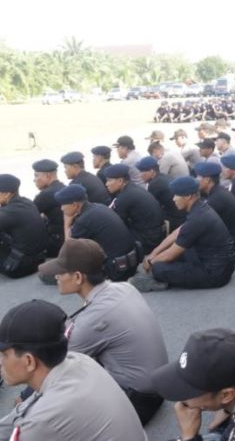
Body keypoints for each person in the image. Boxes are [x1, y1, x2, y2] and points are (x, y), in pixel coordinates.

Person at [37, 239, 167, 425]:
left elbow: (56, 368)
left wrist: (28, 396)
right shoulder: (123, 287)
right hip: (158, 385)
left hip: (137, 402)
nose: (56, 276)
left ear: (78, 277)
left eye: (60, 272)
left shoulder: (92, 320)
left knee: (53, 410)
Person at [0, 300, 147, 441]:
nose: (0, 362)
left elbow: (31, 420)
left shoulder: (42, 420)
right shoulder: (77, 360)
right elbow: (23, 410)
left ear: (29, 361)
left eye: (4, 355)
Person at [135, 176, 235, 291]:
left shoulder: (197, 218)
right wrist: (154, 253)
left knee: (158, 268)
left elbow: (170, 255)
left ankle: (160, 281)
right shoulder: (200, 208)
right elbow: (175, 234)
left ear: (188, 196)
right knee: (172, 251)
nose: (173, 199)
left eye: (176, 195)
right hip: (221, 264)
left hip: (215, 274)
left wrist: (151, 262)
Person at [54, 184, 138, 282]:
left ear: (74, 205)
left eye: (63, 204)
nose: (61, 209)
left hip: (115, 272)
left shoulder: (84, 220)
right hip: (130, 264)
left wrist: (67, 224)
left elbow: (69, 250)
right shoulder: (99, 207)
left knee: (51, 276)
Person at [103, 163, 165, 254]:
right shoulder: (133, 188)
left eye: (109, 180)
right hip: (155, 233)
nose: (106, 184)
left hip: (148, 240)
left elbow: (114, 223)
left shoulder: (125, 197)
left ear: (120, 181)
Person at [194, 162, 235, 259]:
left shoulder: (216, 199)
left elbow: (196, 224)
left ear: (207, 180)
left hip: (233, 247)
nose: (196, 180)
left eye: (198, 177)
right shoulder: (218, 191)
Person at [0, 174, 47, 278]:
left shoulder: (9, 212)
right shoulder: (27, 202)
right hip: (39, 259)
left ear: (7, 194)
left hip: (20, 267)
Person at [135, 156, 187, 231]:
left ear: (151, 171)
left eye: (142, 171)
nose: (140, 175)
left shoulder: (155, 184)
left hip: (174, 221)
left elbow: (150, 208)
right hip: (183, 216)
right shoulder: (165, 177)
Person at [31, 159, 65, 257]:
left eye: (36, 175)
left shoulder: (46, 194)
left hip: (56, 242)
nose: (34, 179)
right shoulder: (62, 187)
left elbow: (29, 215)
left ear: (48, 176)